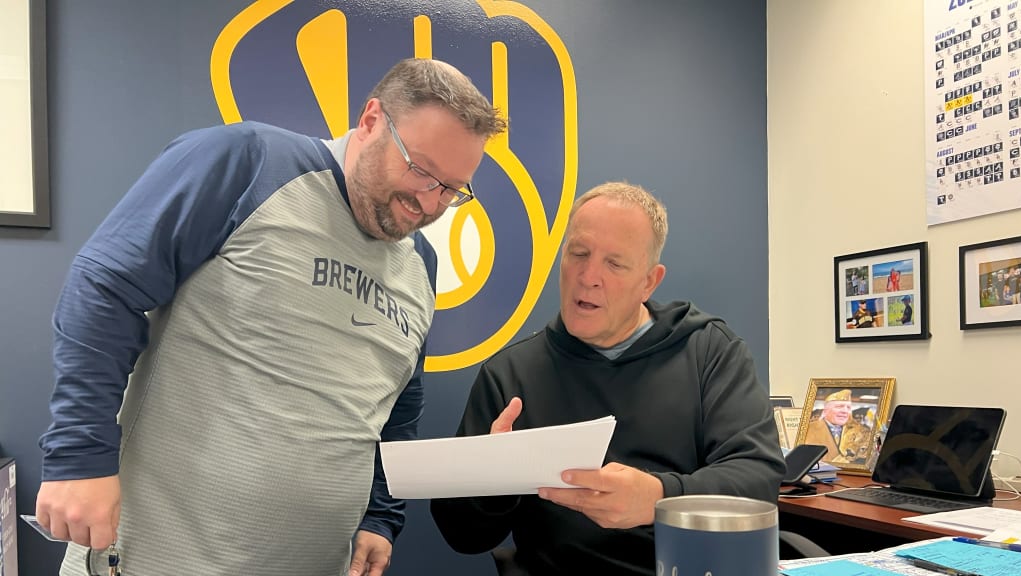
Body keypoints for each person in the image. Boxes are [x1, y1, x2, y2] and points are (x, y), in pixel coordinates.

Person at [35, 58, 506, 576]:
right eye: (420, 169)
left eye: (452, 188)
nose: (429, 200)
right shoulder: (250, 162)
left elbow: (398, 402)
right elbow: (105, 287)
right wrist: (80, 458)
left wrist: (379, 515)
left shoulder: (422, 264)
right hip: (157, 557)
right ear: (371, 120)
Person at [429, 182, 785, 575]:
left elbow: (757, 479)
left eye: (614, 264)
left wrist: (659, 498)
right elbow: (462, 537)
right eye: (578, 253)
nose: (588, 276)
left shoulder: (710, 352)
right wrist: (492, 480)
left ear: (649, 281)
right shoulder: (509, 375)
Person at [802, 389, 873, 465]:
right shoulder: (807, 429)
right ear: (826, 410)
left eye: (848, 408)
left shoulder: (860, 430)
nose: (845, 411)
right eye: (839, 406)